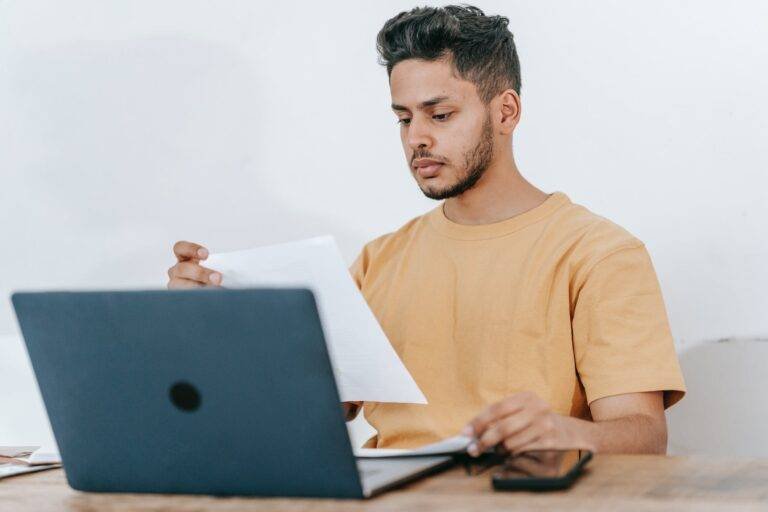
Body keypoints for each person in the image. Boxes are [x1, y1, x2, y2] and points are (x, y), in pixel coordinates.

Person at [167, 5, 685, 455]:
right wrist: (211, 329)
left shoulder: (598, 254)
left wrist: (565, 433)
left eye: (439, 115)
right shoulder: (380, 260)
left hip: (515, 494)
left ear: (506, 112)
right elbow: (300, 413)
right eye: (403, 118)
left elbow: (642, 435)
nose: (417, 138)